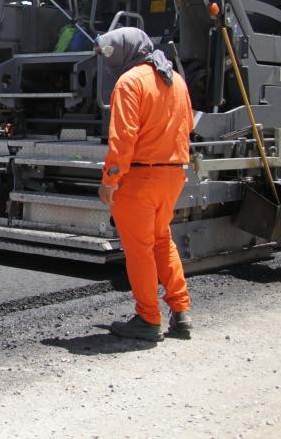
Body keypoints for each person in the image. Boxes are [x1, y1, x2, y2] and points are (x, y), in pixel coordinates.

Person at [96, 27, 194, 341]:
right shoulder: (175, 80)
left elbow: (122, 138)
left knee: (139, 250)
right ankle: (181, 313)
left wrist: (110, 180)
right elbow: (188, 125)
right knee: (162, 240)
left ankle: (148, 318)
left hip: (139, 177)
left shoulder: (129, 82)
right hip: (173, 173)